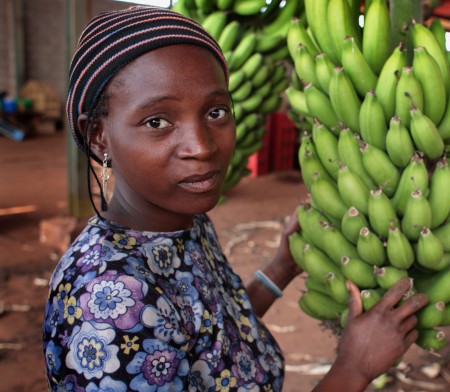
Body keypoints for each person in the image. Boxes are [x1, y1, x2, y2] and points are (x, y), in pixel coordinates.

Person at [43, 6, 428, 391]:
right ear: (98, 136)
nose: (201, 147)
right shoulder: (108, 306)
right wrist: (353, 369)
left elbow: (211, 337)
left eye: (215, 111)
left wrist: (279, 269)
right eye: (157, 121)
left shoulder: (183, 225)